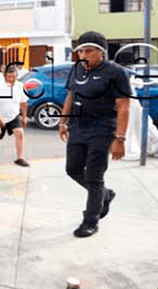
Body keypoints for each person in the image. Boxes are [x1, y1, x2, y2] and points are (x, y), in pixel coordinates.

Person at [58, 31, 130, 238]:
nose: (83, 54)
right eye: (81, 50)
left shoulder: (115, 73)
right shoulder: (77, 70)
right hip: (77, 128)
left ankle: (91, 220)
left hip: (102, 129)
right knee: (72, 169)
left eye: (88, 50)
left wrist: (120, 139)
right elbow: (71, 95)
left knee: (94, 174)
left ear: (101, 52)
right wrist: (63, 122)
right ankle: (104, 195)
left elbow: (124, 107)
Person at [0, 65, 30, 168]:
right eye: (9, 77)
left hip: (14, 115)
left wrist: (24, 117)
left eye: (13, 77)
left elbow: (24, 103)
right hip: (0, 115)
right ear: (5, 76)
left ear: (17, 76)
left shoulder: (20, 86)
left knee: (19, 133)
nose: (11, 79)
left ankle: (19, 158)